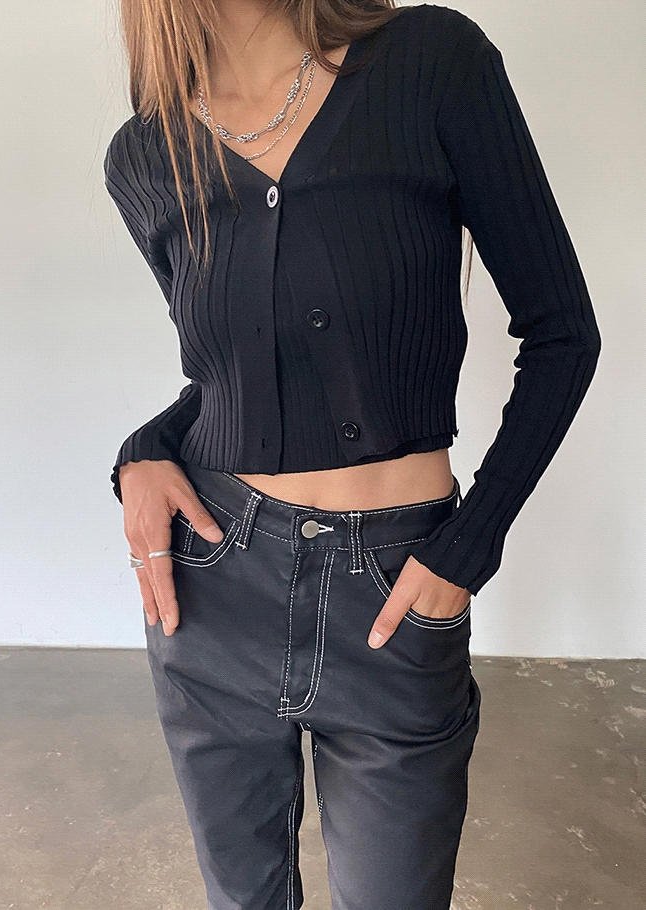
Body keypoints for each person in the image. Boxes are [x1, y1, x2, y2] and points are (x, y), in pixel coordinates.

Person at [103, 1, 601, 908]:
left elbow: (564, 334)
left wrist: (465, 549)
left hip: (395, 587)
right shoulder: (145, 153)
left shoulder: (429, 60)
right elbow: (230, 378)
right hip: (214, 583)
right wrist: (141, 455)